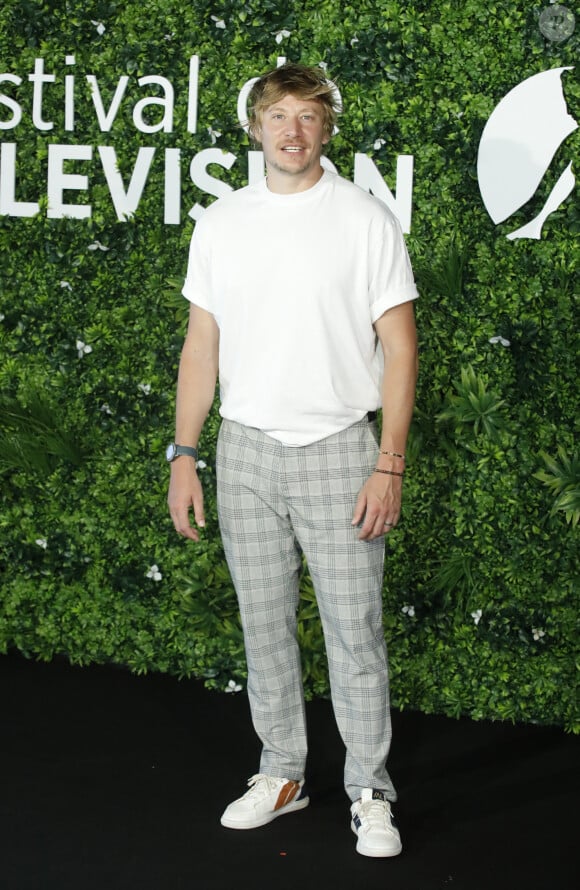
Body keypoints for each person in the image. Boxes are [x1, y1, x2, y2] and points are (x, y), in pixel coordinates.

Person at [167, 63, 418, 859]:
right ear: (256, 127)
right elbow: (201, 345)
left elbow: (402, 350)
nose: (292, 131)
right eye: (278, 116)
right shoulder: (222, 223)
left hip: (343, 451)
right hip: (244, 453)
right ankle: (282, 772)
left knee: (354, 634)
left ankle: (369, 791)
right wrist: (184, 454)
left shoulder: (365, 219)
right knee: (264, 627)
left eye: (307, 117)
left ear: (326, 128)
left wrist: (390, 463)